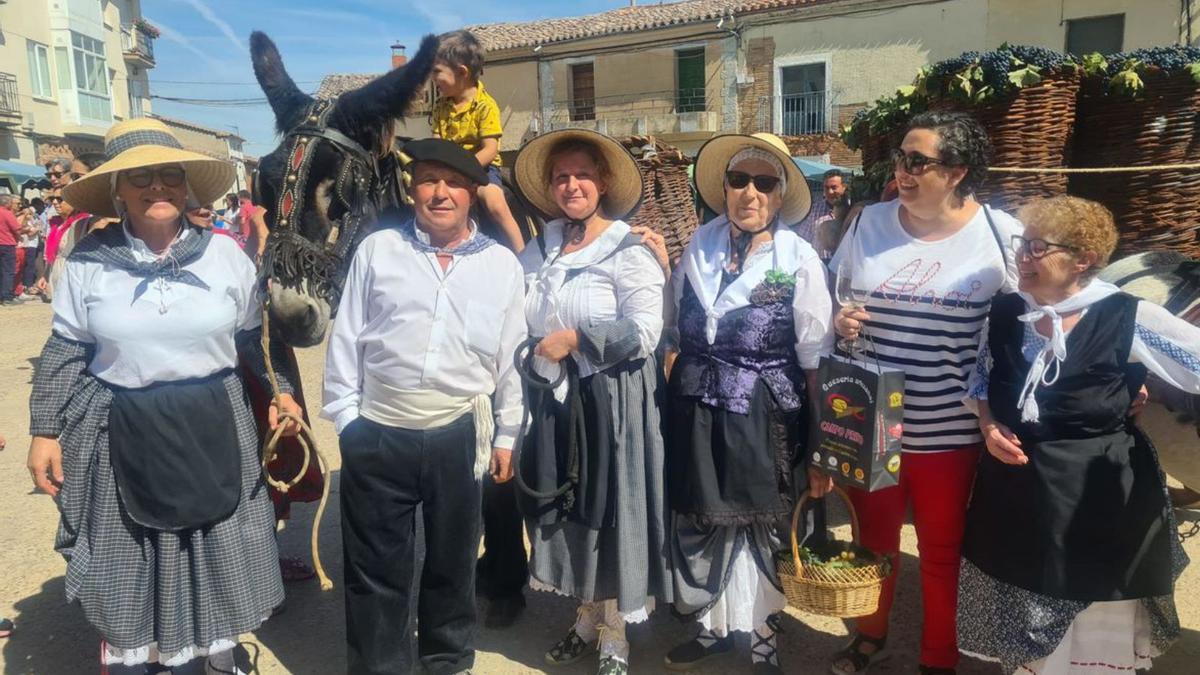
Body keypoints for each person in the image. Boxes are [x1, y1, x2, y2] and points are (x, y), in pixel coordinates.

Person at [25, 118, 301, 675]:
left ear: (187, 184)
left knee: (215, 544)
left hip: (214, 422)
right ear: (117, 190)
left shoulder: (226, 255)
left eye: (169, 175)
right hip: (122, 424)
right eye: (140, 177)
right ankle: (137, 657)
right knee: (133, 551)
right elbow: (66, 349)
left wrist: (283, 393)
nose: (157, 187)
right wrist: (44, 430)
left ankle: (215, 654)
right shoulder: (87, 262)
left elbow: (255, 341)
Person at [957, 196, 1200, 674]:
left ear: (1082, 260)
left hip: (1097, 502)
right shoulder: (1007, 312)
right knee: (1025, 626)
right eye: (1021, 244)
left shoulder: (1127, 315)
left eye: (1037, 247)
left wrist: (1136, 378)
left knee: (1091, 629)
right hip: (1017, 496)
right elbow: (980, 379)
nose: (1022, 257)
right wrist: (987, 424)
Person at [827, 111, 1024, 675]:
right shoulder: (868, 221)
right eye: (899, 160)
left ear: (958, 171)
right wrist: (842, 320)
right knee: (874, 543)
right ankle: (870, 635)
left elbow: (1046, 309)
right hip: (871, 422)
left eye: (918, 162)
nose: (903, 173)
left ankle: (939, 658)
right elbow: (836, 292)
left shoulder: (1000, 235)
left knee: (940, 552)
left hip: (949, 427)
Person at [322, 138, 527, 675]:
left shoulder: (502, 266)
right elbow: (345, 337)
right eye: (429, 180)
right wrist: (348, 421)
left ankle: (446, 660)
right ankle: (378, 666)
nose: (441, 193)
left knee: (453, 562)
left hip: (459, 432)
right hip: (379, 429)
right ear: (412, 190)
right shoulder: (378, 251)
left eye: (454, 182)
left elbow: (511, 357)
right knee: (374, 568)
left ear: (473, 195)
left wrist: (507, 434)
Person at [662, 133, 832, 674]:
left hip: (763, 415)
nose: (750, 192)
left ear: (780, 196)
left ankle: (763, 638)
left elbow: (814, 356)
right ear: (724, 189)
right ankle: (713, 628)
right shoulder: (700, 244)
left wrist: (823, 441)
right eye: (739, 180)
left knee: (760, 525)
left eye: (764, 182)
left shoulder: (798, 257)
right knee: (704, 517)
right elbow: (675, 322)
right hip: (696, 407)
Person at [511, 128, 670, 675]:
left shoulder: (628, 248)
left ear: (603, 181)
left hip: (612, 403)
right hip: (556, 399)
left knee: (609, 511)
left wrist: (576, 339)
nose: (571, 184)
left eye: (582, 174)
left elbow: (647, 330)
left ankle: (616, 635)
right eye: (561, 176)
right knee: (572, 507)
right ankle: (584, 617)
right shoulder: (543, 247)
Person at [430, 29, 525, 252]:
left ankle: (523, 254)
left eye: (436, 72)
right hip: (448, 167)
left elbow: (490, 149)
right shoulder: (441, 106)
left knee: (494, 202)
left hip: (482, 167)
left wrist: (464, 170)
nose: (433, 80)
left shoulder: (485, 105)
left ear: (461, 72)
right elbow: (438, 144)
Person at [794, 169, 847, 255]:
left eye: (834, 187)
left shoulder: (852, 211)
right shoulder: (814, 209)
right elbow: (803, 240)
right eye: (826, 188)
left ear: (844, 187)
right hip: (819, 264)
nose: (830, 192)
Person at [0, 194, 29, 305]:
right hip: (7, 245)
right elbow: (18, 228)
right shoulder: (7, 213)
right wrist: (28, 229)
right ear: (7, 203)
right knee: (8, 271)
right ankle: (7, 297)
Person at [235, 190, 269, 262]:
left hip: (247, 236)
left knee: (248, 257)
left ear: (241, 197)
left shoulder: (243, 207)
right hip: (258, 235)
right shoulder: (256, 206)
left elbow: (242, 221)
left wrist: (240, 233)